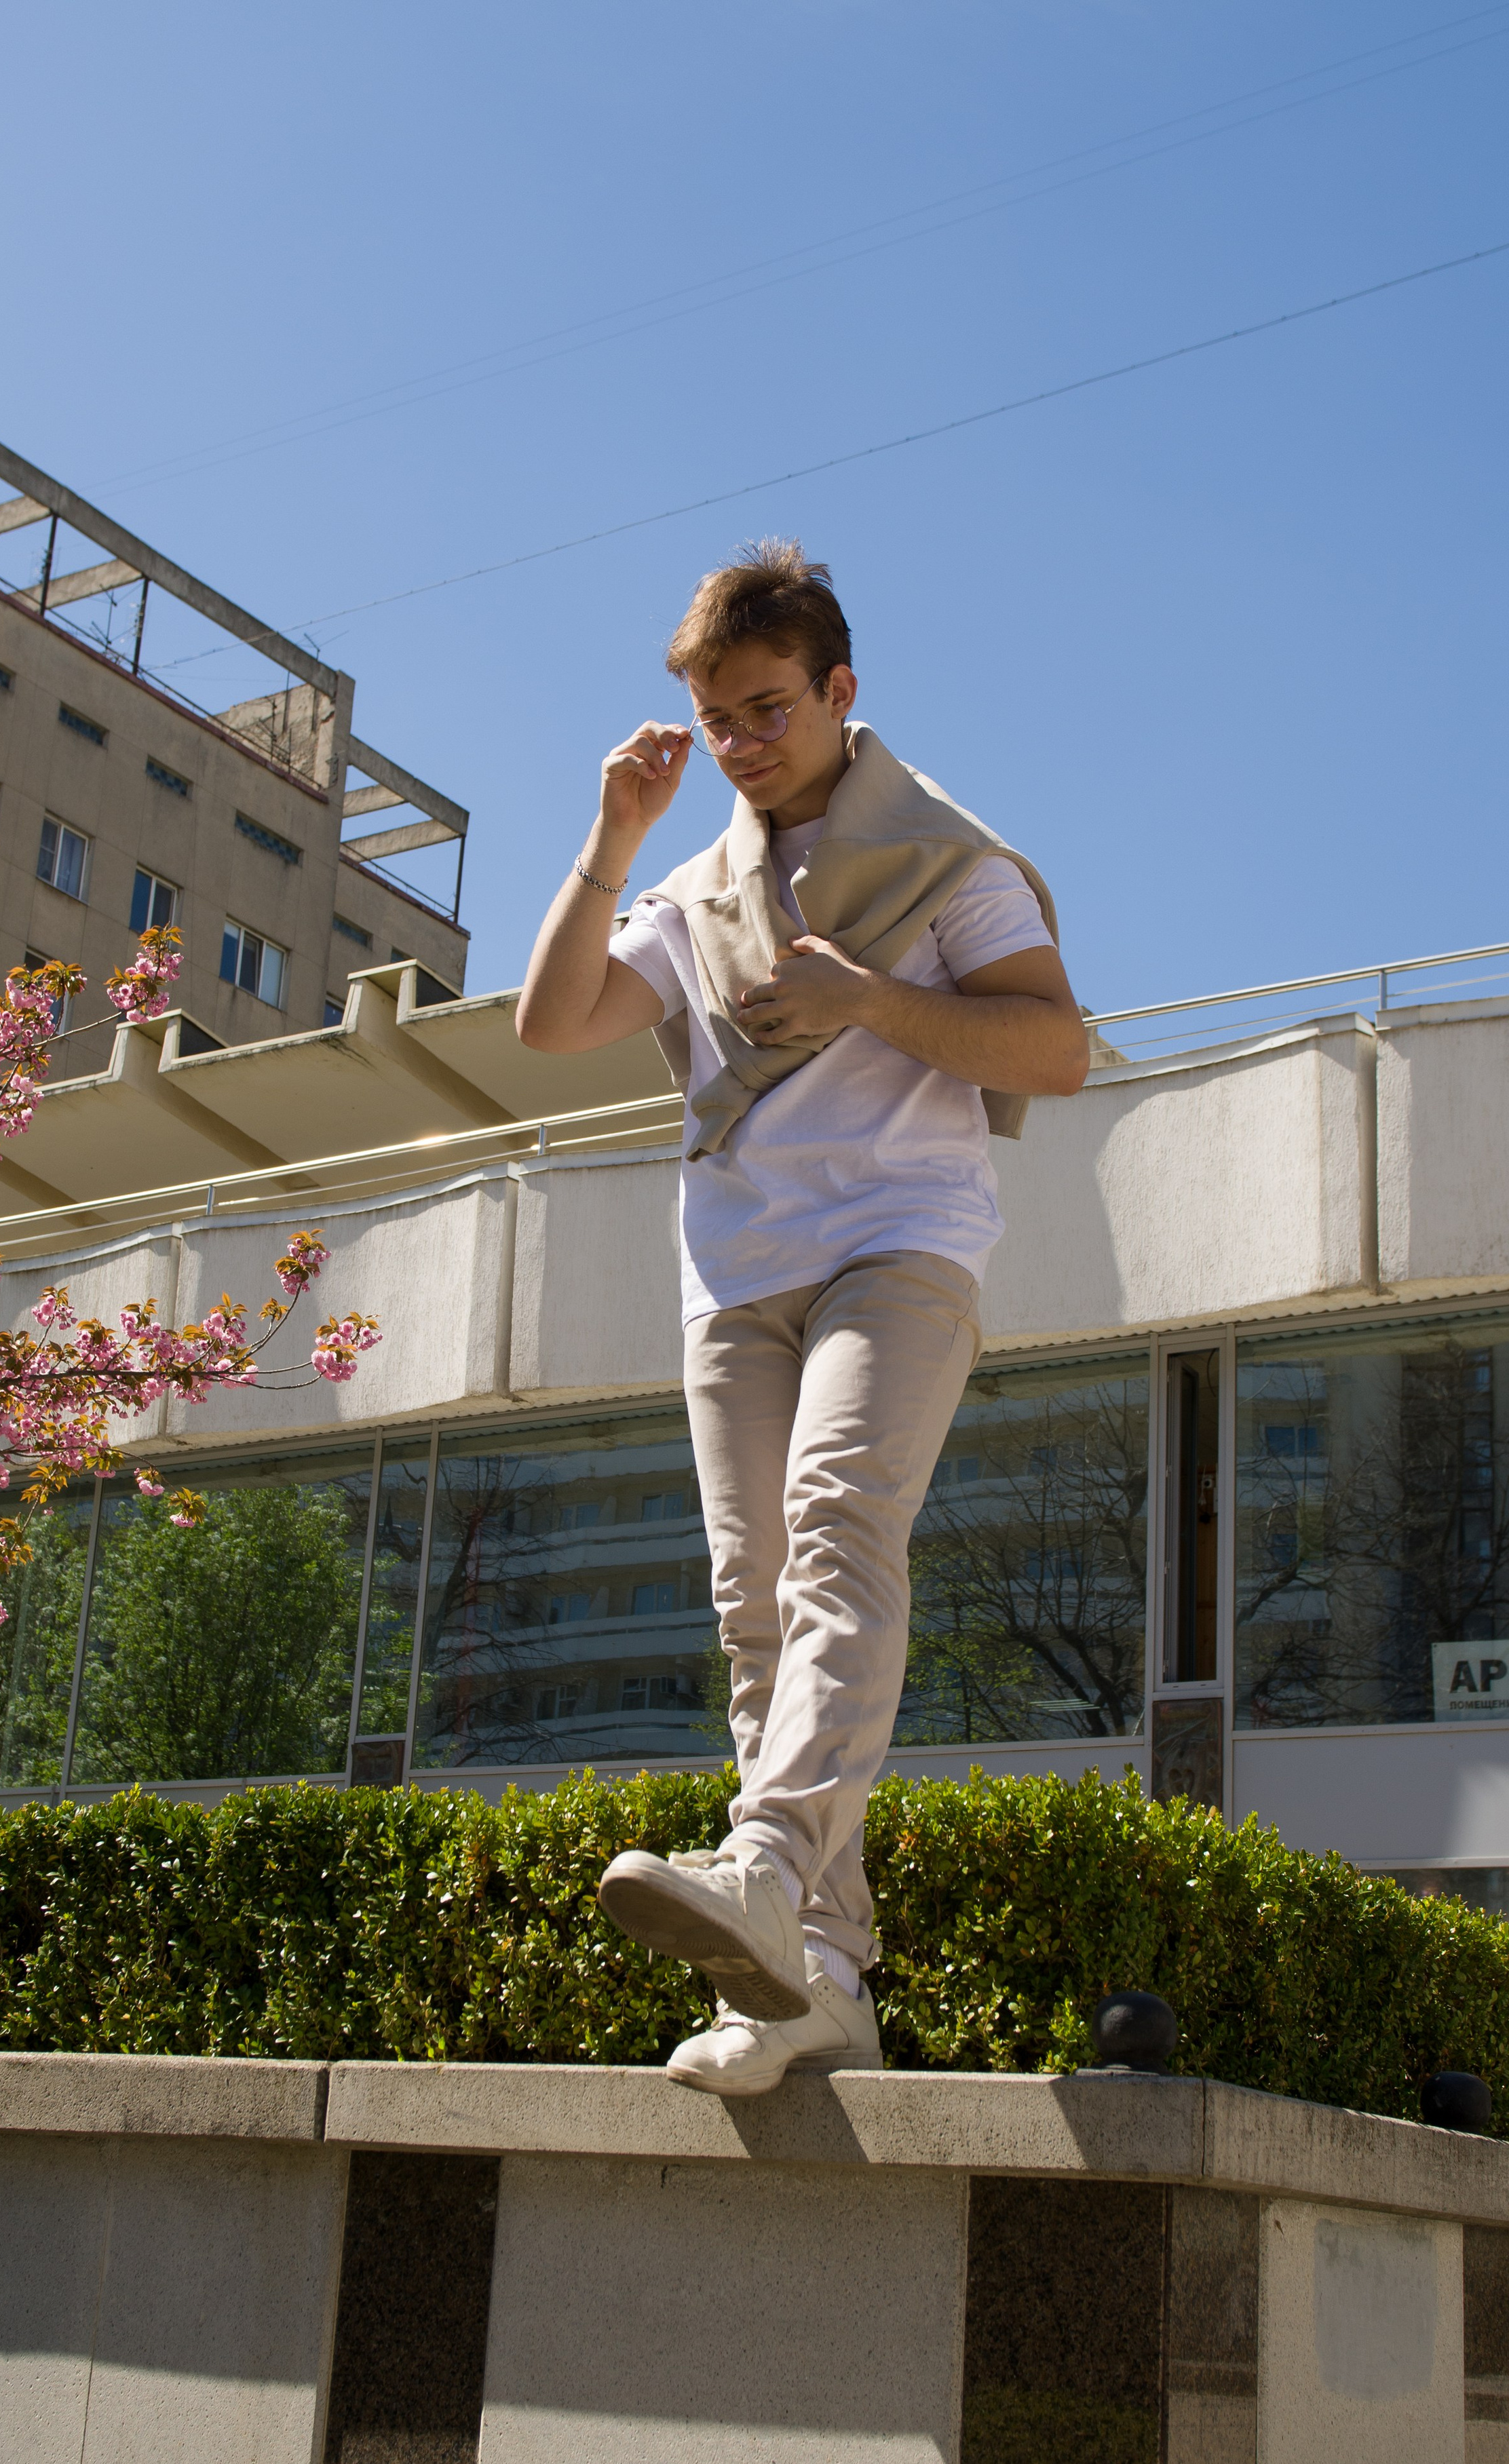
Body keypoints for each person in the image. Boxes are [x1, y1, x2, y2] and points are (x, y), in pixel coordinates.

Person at [516, 541, 1089, 2094]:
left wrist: (868, 1001)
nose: (742, 740)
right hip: (735, 1268)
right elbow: (552, 1021)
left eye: (768, 707)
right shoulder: (695, 896)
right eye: (717, 718)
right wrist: (616, 833)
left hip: (898, 1241)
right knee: (753, 1608)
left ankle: (765, 1858)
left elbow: (1052, 1049)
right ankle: (812, 1982)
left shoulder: (941, 864)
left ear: (841, 692)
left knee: (840, 1527)